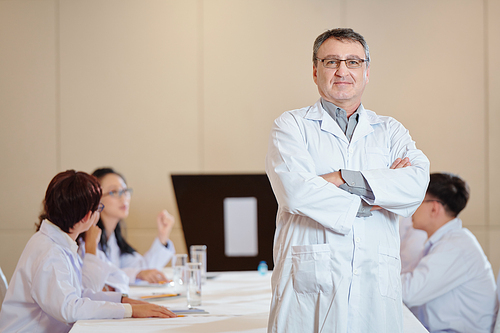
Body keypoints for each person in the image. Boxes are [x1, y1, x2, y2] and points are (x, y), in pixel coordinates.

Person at [265, 28, 430, 332]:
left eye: (353, 62)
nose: (343, 71)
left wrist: (340, 178)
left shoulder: (390, 130)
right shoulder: (290, 126)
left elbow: (415, 185)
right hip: (310, 288)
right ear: (315, 71)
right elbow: (295, 194)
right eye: (331, 62)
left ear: (367, 72)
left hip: (375, 286)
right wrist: (378, 194)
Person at [0, 170, 175, 333]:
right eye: (98, 209)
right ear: (86, 217)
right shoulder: (50, 252)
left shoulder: (59, 242)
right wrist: (129, 310)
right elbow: (69, 309)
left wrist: (123, 301)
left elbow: (79, 292)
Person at [401, 173, 497, 332]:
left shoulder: (456, 246)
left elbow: (407, 292)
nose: (412, 209)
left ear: (434, 208)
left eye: (417, 201)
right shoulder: (444, 243)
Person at [78, 168, 176, 285]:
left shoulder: (113, 239)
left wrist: (162, 236)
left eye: (125, 191)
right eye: (114, 191)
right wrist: (137, 274)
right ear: (96, 198)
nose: (123, 197)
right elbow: (96, 279)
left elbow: (144, 269)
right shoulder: (87, 239)